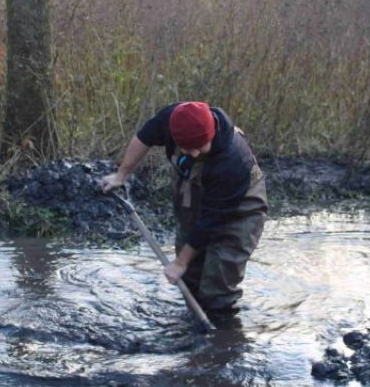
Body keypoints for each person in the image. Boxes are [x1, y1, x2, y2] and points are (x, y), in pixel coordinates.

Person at [100, 101, 267, 313]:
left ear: (212, 132)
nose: (195, 153)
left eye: (200, 146)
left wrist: (179, 263)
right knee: (190, 277)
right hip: (195, 191)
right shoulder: (171, 120)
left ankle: (223, 338)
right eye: (188, 148)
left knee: (217, 287)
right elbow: (144, 137)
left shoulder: (233, 160)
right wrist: (121, 175)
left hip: (239, 208)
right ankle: (192, 325)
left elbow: (211, 221)